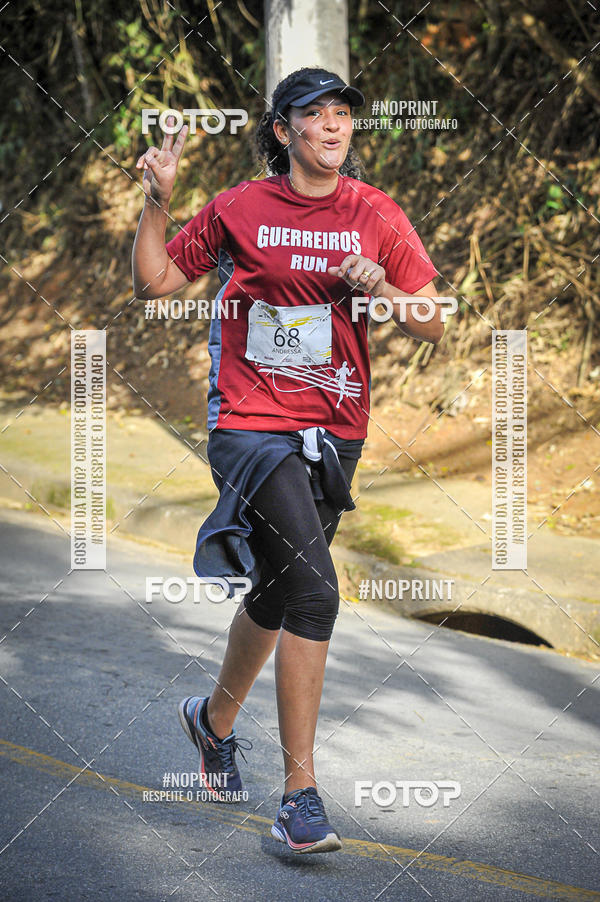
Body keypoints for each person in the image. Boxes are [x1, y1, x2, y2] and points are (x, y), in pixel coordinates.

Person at [132, 67, 443, 854]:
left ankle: (212, 723)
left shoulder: (375, 212)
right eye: (317, 114)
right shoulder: (241, 205)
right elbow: (156, 280)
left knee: (277, 592)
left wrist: (385, 288)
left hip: (336, 428)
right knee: (314, 593)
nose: (335, 127)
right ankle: (299, 796)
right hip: (250, 422)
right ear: (283, 131)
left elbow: (432, 322)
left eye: (344, 114)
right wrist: (158, 196)